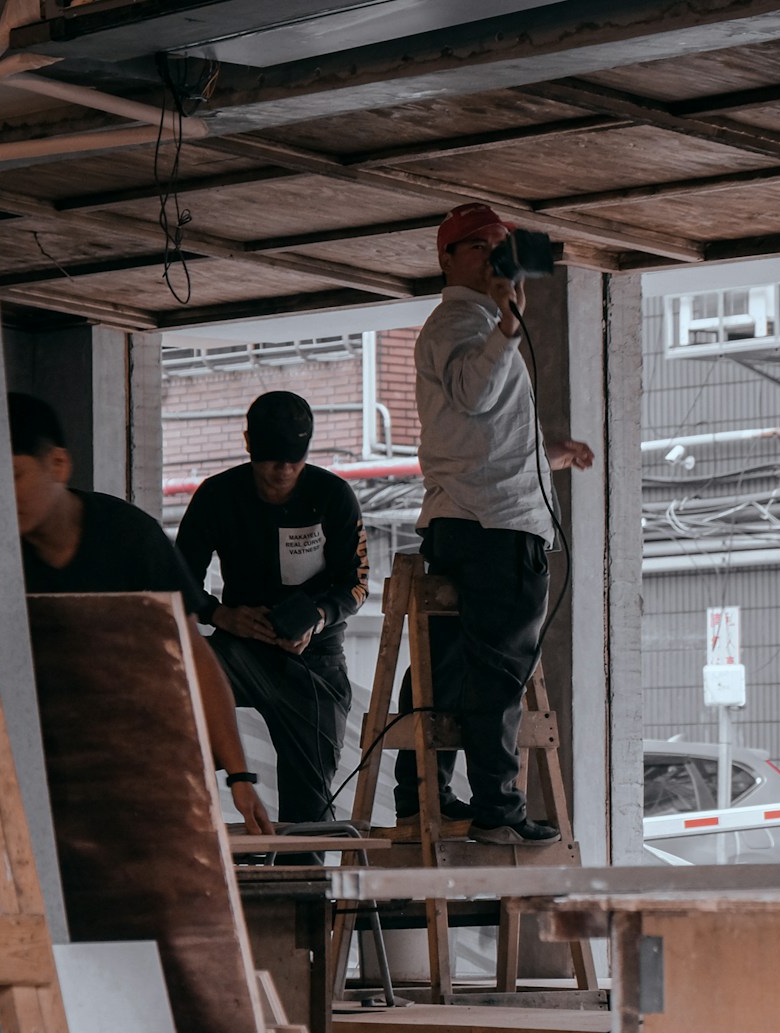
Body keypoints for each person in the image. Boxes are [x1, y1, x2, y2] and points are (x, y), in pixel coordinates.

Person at [394, 202, 594, 846]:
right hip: (495, 527)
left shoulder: (476, 322)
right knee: (499, 672)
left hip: (467, 519)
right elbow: (474, 393)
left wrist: (548, 452)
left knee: (445, 669)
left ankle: (421, 795)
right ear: (446, 258)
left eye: (501, 245)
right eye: (477, 245)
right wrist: (509, 327)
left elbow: (476, 425)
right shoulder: (463, 322)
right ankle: (497, 810)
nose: (493, 254)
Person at [9, 392, 273, 834]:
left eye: (15, 475)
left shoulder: (129, 537)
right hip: (47, 766)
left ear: (57, 464)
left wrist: (240, 776)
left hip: (142, 759)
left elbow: (194, 657)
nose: (4, 495)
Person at [176, 391, 369, 824]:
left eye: (293, 461)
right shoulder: (217, 496)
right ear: (248, 444)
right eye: (271, 461)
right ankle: (187, 832)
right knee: (174, 696)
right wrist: (219, 614)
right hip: (238, 647)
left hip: (313, 658)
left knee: (310, 804)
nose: (282, 471)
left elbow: (355, 585)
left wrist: (317, 619)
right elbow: (178, 579)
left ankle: (306, 887)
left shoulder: (333, 496)